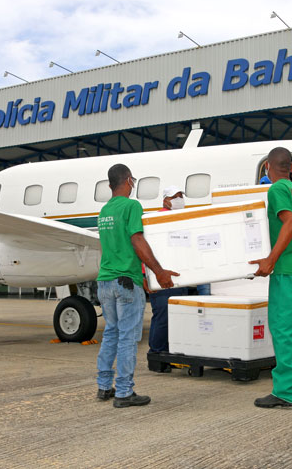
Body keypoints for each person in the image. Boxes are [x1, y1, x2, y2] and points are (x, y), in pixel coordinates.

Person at [96, 163, 179, 408]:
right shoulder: (132, 206)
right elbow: (137, 240)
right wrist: (159, 271)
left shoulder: (104, 211)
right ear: (130, 181)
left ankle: (103, 386)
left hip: (105, 281)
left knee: (111, 332)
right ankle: (123, 392)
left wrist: (140, 277)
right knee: (128, 337)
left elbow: (115, 248)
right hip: (125, 283)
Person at [250, 147, 292, 408]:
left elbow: (290, 224)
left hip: (288, 269)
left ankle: (285, 391)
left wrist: (270, 259)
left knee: (283, 330)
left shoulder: (277, 190)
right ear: (291, 167)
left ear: (267, 166)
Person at [147, 185, 189, 370]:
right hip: (160, 276)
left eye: (181, 196)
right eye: (175, 196)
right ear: (165, 200)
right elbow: (145, 249)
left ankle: (169, 353)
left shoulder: (182, 219)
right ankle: (156, 354)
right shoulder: (156, 219)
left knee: (177, 316)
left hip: (180, 276)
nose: (179, 199)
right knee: (162, 314)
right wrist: (145, 276)